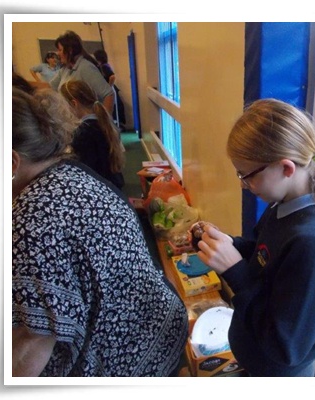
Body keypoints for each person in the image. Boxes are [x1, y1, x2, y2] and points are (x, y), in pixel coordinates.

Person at [12, 87, 188, 377]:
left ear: (12, 162)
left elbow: (33, 339)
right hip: (158, 329)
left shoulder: (33, 216)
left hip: (128, 359)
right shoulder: (69, 172)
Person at [196, 98, 315, 377]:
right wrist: (229, 244)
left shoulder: (310, 244)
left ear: (286, 168)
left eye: (246, 175)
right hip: (256, 358)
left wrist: (235, 272)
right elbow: (264, 255)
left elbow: (285, 346)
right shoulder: (282, 206)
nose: (243, 185)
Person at [60, 79, 125, 190]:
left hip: (99, 189)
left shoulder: (83, 132)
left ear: (74, 104)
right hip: (113, 184)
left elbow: (84, 171)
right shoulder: (104, 123)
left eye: (63, 106)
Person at [48, 30, 114, 114]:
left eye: (60, 50)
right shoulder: (66, 69)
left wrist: (103, 120)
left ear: (70, 50)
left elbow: (108, 94)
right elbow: (50, 86)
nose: (57, 53)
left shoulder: (85, 68)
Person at [93, 49, 126, 129]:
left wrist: (108, 86)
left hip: (108, 90)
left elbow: (112, 76)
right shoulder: (103, 66)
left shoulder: (104, 67)